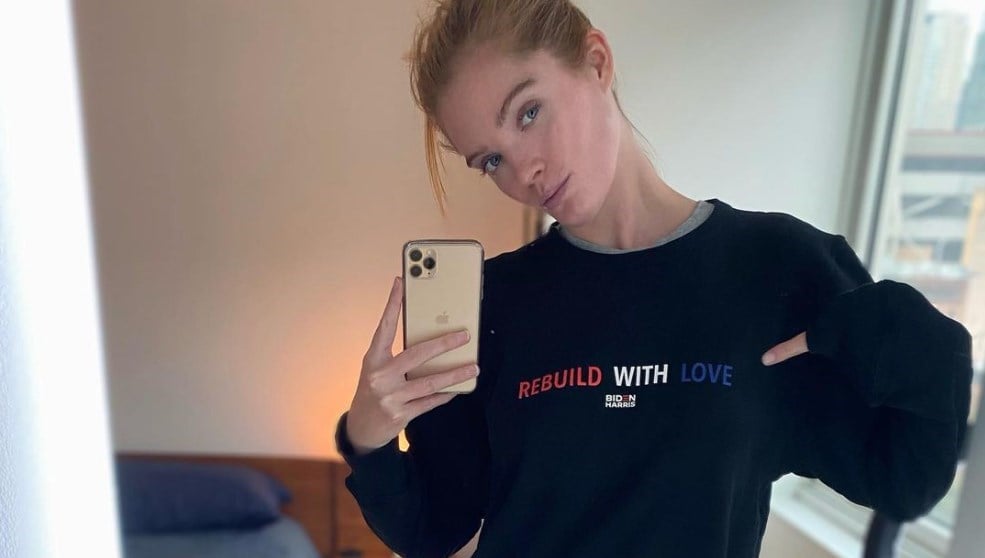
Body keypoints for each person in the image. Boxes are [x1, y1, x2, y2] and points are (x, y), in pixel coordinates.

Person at [334, 1, 974, 557]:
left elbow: (904, 478)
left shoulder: (779, 268)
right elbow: (435, 528)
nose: (523, 170)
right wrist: (366, 437)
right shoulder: (494, 303)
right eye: (491, 159)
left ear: (596, 61)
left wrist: (918, 344)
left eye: (528, 113)